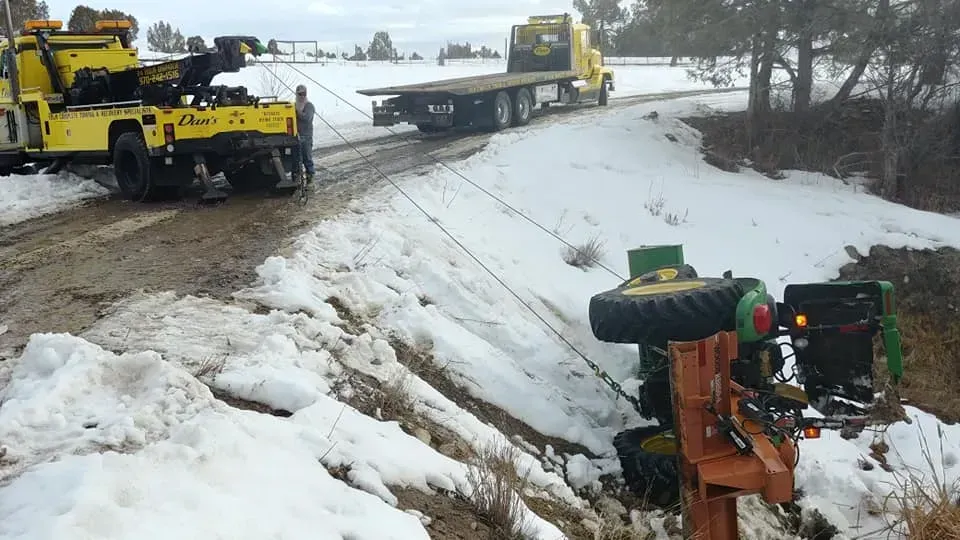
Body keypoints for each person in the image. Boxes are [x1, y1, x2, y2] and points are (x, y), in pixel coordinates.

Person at [294, 84, 316, 183]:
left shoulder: (309, 106)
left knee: (307, 159)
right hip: (296, 136)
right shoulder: (294, 105)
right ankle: (298, 179)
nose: (302, 96)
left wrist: (298, 112)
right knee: (297, 160)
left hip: (306, 136)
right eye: (300, 94)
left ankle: (310, 179)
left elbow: (307, 118)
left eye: (304, 94)